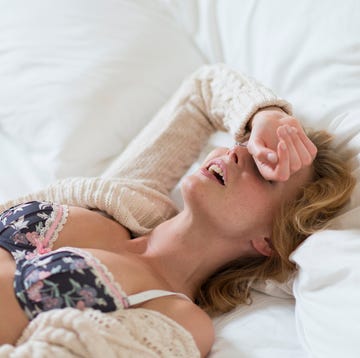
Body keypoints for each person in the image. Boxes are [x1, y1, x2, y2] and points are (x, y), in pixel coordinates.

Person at [0, 65, 355, 357]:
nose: (236, 153)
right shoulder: (128, 197)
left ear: (269, 240)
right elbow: (202, 92)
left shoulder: (176, 319)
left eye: (265, 172)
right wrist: (267, 117)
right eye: (245, 143)